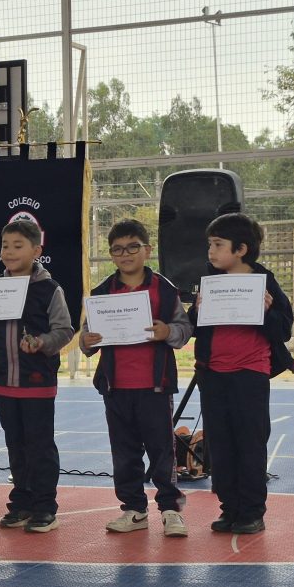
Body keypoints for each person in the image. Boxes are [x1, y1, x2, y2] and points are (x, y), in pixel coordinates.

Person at [79, 219, 192, 537]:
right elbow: (87, 337)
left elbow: (184, 330)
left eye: (132, 247)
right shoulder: (102, 293)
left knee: (162, 451)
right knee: (124, 453)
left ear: (147, 250)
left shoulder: (166, 291)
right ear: (111, 255)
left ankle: (170, 509)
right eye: (117, 249)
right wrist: (86, 342)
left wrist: (167, 331)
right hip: (115, 389)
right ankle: (134, 509)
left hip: (155, 388)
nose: (125, 254)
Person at [0, 220, 74, 533]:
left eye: (18, 245)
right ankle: (21, 503)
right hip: (3, 382)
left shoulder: (49, 290)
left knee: (40, 446)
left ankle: (45, 507)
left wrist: (41, 344)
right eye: (5, 246)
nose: (9, 251)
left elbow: (65, 331)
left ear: (36, 250)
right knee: (15, 445)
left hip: (37, 382)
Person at [188, 213, 294, 535]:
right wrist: (196, 310)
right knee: (219, 445)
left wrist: (266, 312)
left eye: (218, 245)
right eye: (209, 244)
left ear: (241, 249)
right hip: (213, 375)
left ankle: (251, 511)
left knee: (249, 443)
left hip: (250, 374)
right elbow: (195, 327)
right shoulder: (209, 282)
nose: (210, 251)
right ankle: (229, 508)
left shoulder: (265, 283)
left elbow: (285, 329)